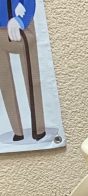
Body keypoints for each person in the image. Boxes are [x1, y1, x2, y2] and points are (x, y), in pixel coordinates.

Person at [1, 0, 46, 141]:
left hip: (21, 27)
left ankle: (39, 128)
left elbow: (29, 3)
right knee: (5, 82)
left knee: (32, 78)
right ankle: (17, 131)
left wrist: (21, 20)